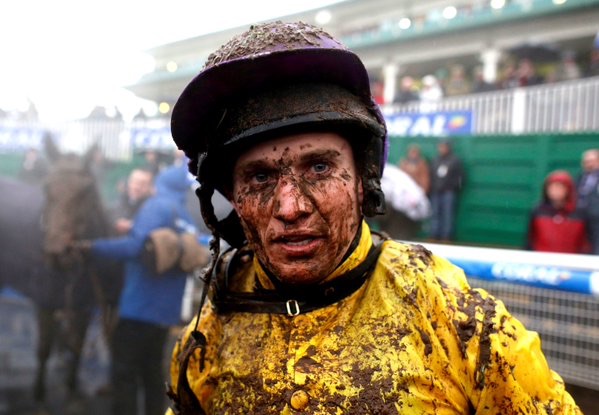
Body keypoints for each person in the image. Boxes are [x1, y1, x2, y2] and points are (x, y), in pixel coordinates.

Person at [165, 21, 581, 414]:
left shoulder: (457, 319)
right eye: (260, 177)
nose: (290, 207)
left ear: (363, 181)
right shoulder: (211, 325)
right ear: (232, 199)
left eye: (320, 168)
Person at [76, 164, 201, 415]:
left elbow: (135, 248)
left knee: (124, 373)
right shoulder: (182, 214)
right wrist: (135, 228)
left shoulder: (156, 206)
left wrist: (93, 247)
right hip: (165, 313)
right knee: (151, 372)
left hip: (139, 310)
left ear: (159, 184)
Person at [527, 170, 589, 253]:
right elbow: (530, 239)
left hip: (570, 258)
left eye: (559, 187)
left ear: (568, 189)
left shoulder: (579, 213)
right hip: (542, 258)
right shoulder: (538, 210)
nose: (555, 191)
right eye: (551, 187)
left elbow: (585, 242)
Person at [429, 140, 464, 241]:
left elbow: (460, 176)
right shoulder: (436, 160)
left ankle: (447, 236)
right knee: (435, 214)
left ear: (448, 148)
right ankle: (434, 235)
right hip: (436, 191)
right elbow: (431, 174)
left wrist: (453, 187)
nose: (442, 149)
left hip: (448, 192)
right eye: (440, 147)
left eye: (444, 147)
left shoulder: (455, 160)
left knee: (448, 214)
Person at [576, 148, 599, 254]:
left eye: (591, 161)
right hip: (580, 216)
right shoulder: (580, 177)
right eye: (586, 162)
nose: (588, 164)